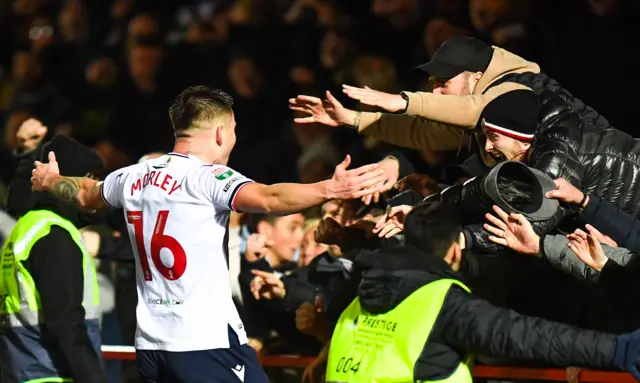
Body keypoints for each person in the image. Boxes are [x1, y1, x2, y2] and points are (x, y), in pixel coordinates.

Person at [29, 85, 386, 383]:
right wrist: (328, 189)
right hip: (205, 343)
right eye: (233, 131)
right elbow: (268, 197)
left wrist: (50, 180)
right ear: (220, 132)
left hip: (152, 346)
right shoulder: (207, 178)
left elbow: (85, 195)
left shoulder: (132, 176)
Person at [290, 36, 640, 215]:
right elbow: (422, 131)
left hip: (628, 178)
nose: (436, 90)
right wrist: (353, 118)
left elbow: (474, 107)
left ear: (476, 77)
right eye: (433, 84)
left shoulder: (520, 86)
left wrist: (404, 100)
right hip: (604, 200)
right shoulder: (482, 114)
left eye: (445, 82)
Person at [320, 202, 640, 383]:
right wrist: (616, 351)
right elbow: (526, 335)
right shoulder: (440, 303)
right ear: (455, 254)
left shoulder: (364, 293)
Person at [1, 135, 106, 383]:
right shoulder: (54, 233)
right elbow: (67, 323)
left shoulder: (27, 228)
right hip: (53, 374)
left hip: (22, 372)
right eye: (90, 178)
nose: (94, 189)